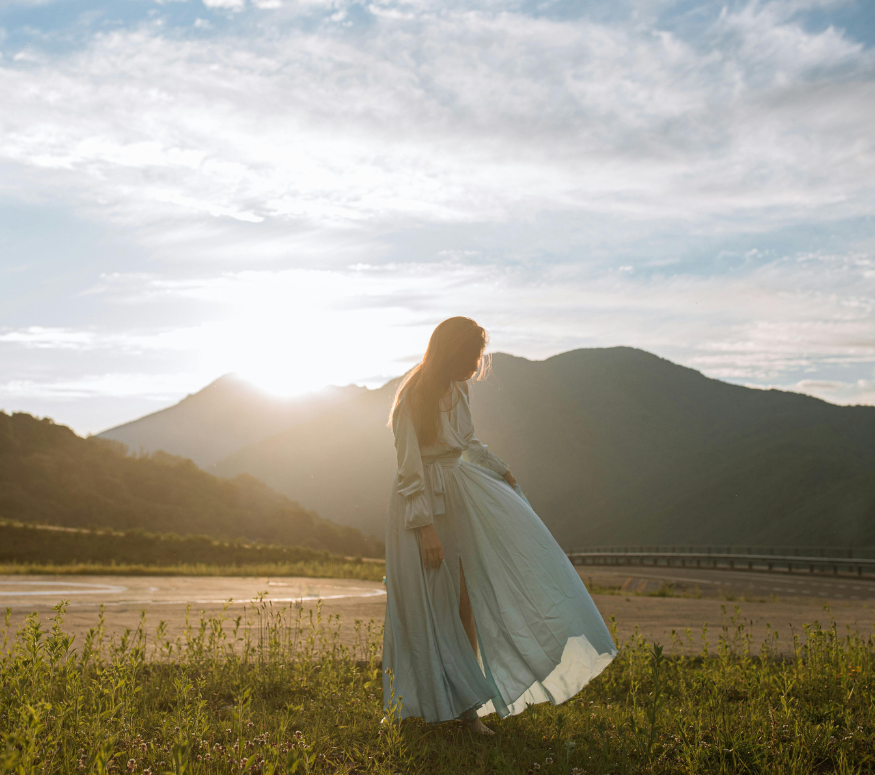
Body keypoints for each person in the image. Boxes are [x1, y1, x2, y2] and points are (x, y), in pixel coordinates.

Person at [382, 316, 617, 734]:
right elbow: (409, 470)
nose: (476, 364)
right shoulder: (413, 397)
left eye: (478, 356)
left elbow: (467, 443)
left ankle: (468, 708)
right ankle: (424, 703)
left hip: (459, 496)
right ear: (450, 351)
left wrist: (499, 469)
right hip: (423, 508)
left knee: (466, 599)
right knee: (426, 605)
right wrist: (425, 529)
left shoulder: (459, 389)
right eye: (470, 356)